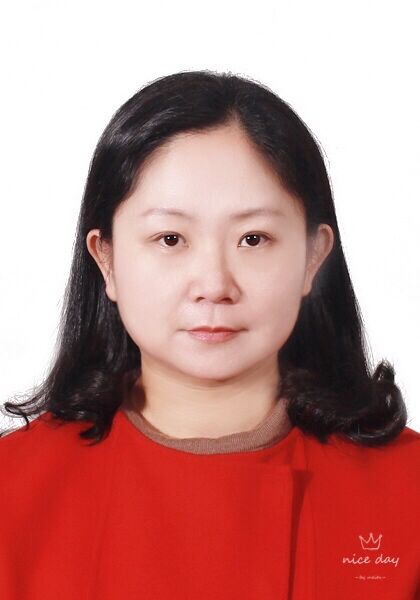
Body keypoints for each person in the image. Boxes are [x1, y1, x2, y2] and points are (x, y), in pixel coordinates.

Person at [1, 69, 419, 599]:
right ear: (106, 259)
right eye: (170, 238)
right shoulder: (12, 494)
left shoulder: (409, 490)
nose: (214, 286)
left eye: (253, 238)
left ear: (314, 257)